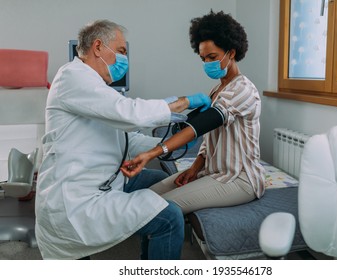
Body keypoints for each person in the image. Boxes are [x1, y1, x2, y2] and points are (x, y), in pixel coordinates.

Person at [34, 19, 211, 260]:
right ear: (98, 47)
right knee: (168, 217)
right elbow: (130, 113)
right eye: (121, 52)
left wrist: (174, 143)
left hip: (105, 179)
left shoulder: (98, 89)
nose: (124, 60)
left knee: (159, 179)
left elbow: (127, 141)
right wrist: (184, 102)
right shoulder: (72, 77)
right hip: (75, 199)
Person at [121, 11, 266, 215]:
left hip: (240, 179)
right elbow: (208, 141)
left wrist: (153, 153)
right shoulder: (216, 90)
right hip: (212, 173)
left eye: (212, 57)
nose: (207, 63)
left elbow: (201, 126)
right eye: (204, 58)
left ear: (231, 53)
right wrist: (194, 169)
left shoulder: (243, 89)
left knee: (157, 209)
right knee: (148, 196)